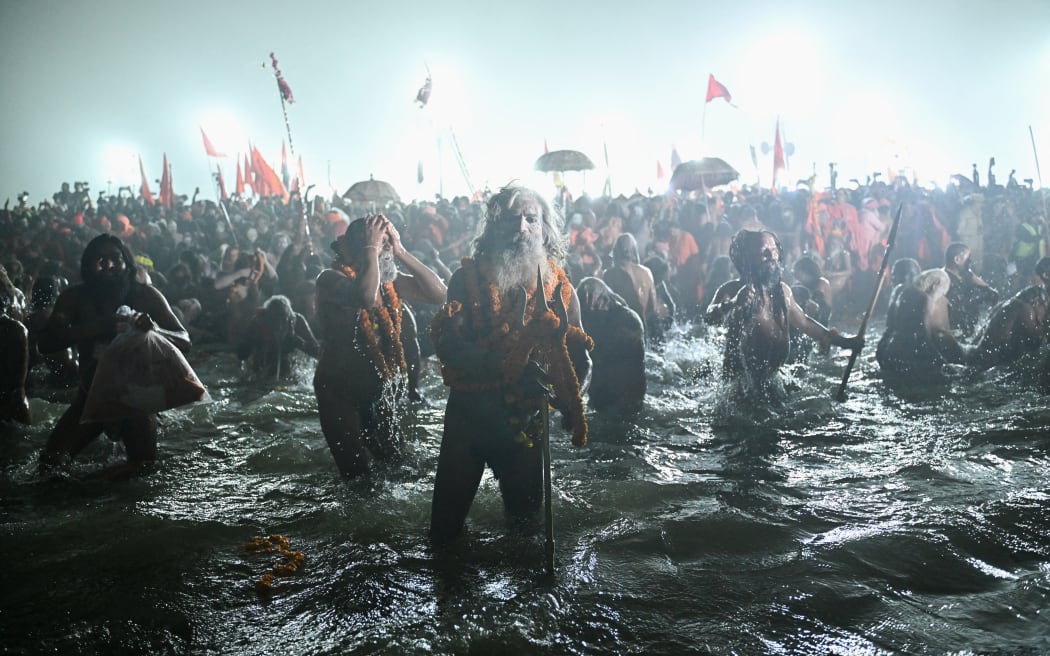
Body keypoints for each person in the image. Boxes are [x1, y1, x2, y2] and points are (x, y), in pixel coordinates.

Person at [429, 185, 592, 544]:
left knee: (525, 540)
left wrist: (562, 394)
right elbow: (447, 345)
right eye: (510, 219)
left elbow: (579, 361)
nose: (521, 228)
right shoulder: (465, 281)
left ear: (544, 230)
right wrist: (503, 363)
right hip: (469, 423)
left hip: (526, 428)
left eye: (531, 219)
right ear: (493, 229)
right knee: (443, 535)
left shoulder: (562, 292)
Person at [36, 234, 191, 475]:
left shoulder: (146, 295)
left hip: (136, 399)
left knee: (143, 470)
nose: (108, 265)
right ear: (87, 266)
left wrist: (154, 330)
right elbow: (46, 342)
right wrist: (102, 326)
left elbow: (184, 340)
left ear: (127, 264)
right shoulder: (75, 298)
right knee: (50, 467)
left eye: (114, 259)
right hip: (89, 397)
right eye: (99, 260)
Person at [313, 214, 446, 477]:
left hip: (376, 392)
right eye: (378, 242)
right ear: (358, 247)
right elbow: (365, 297)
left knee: (401, 468)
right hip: (340, 394)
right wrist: (372, 249)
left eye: (387, 241)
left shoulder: (389, 282)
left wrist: (401, 251)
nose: (385, 248)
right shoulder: (329, 279)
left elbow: (439, 294)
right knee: (358, 478)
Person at [703, 229, 862, 394]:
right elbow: (709, 317)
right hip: (739, 390)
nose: (771, 256)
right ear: (748, 259)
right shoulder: (732, 289)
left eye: (773, 250)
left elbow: (806, 324)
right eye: (764, 252)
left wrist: (846, 343)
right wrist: (734, 303)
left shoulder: (783, 292)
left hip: (773, 381)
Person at [876, 268, 966, 384]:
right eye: (943, 292)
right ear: (936, 285)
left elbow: (891, 328)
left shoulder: (902, 291)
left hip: (885, 352)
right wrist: (943, 364)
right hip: (905, 356)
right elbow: (922, 337)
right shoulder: (925, 298)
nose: (941, 297)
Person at [576, 276, 645, 412]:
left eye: (595, 300)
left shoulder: (627, 319)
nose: (593, 306)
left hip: (626, 400)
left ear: (605, 298)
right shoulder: (589, 318)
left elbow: (602, 356)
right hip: (602, 400)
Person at [236, 294, 320, 381]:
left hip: (290, 368)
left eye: (283, 320)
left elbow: (317, 352)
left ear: (289, 318)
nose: (279, 326)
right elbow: (241, 354)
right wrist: (253, 339)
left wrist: (296, 340)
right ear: (267, 317)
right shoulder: (258, 322)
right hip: (262, 366)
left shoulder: (297, 321)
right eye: (274, 319)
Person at [602, 233, 667, 344]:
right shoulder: (646, 272)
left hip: (623, 333)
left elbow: (606, 309)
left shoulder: (609, 274)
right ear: (634, 251)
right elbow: (653, 309)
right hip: (643, 330)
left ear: (616, 252)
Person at [967, 285, 1048, 372]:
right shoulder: (1023, 307)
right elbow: (1037, 337)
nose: (1045, 315)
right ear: (1038, 302)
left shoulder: (1003, 304)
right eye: (1046, 308)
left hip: (975, 356)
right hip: (986, 365)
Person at [943, 242, 998, 338]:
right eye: (968, 258)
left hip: (968, 327)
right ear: (957, 259)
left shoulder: (966, 275)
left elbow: (991, 292)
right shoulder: (943, 280)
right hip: (953, 331)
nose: (970, 261)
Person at [1, 265, 30, 424]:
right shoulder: (17, 330)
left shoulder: (15, 331)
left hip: (10, 407)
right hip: (13, 406)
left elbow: (17, 390)